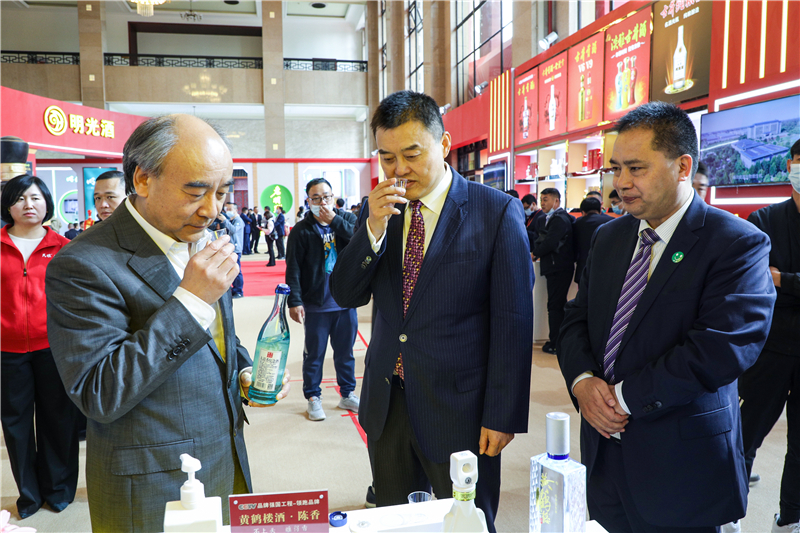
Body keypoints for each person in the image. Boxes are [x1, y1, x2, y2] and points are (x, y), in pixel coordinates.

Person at [45, 115, 290, 532]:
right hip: (153, 481)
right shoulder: (82, 264)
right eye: (195, 192)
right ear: (143, 179)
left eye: (222, 192)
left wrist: (243, 370)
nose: (212, 210)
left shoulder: (201, 237)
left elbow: (216, 336)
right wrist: (191, 300)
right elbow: (99, 392)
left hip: (224, 454)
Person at [557, 102, 776, 533]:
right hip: (604, 457)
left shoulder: (736, 243)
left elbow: (720, 349)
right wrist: (582, 382)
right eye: (616, 168)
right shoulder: (608, 237)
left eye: (636, 169)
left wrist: (619, 399)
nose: (621, 183)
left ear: (682, 167)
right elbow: (576, 319)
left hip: (681, 466)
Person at [330, 91, 534, 533]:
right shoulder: (380, 211)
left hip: (460, 409)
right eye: (387, 158)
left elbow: (514, 322)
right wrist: (372, 229)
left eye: (411, 154)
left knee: (466, 523)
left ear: (443, 144)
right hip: (388, 405)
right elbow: (345, 293)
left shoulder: (495, 211)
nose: (399, 170)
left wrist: (503, 414)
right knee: (394, 521)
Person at [1, 175, 81, 519]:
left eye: (35, 197)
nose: (28, 205)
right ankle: (29, 496)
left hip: (53, 348)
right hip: (7, 351)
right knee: (16, 425)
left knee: (58, 421)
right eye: (19, 198)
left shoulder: (63, 247)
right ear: (8, 206)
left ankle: (59, 490)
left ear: (47, 202)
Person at [738, 139, 800, 533]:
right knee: (744, 436)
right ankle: (727, 513)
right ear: (790, 164)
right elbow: (755, 278)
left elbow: (774, 279)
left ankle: (789, 520)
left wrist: (785, 280)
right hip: (769, 347)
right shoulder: (764, 219)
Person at [286, 177, 360, 421]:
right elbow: (293, 269)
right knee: (314, 355)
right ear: (308, 201)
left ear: (333, 197)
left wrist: (334, 221)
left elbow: (360, 242)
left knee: (345, 352)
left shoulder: (347, 220)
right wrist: (295, 301)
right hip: (316, 304)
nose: (322, 202)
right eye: (316, 198)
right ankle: (313, 397)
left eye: (326, 197)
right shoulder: (301, 230)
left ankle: (347, 393)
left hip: (345, 301)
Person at [532, 187, 574, 355]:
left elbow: (550, 242)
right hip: (555, 267)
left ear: (556, 201)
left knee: (555, 306)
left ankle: (556, 342)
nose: (542, 203)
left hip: (559, 268)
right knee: (556, 304)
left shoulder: (559, 219)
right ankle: (557, 340)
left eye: (546, 199)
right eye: (541, 199)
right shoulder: (549, 218)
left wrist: (534, 253)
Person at [572, 197, 614, 284]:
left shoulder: (578, 223)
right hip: (606, 267)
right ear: (600, 209)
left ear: (583, 212)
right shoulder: (611, 222)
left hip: (583, 267)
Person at [225, 201, 245, 298]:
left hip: (236, 249)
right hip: (231, 248)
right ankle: (234, 288)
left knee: (237, 270)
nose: (228, 211)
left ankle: (239, 291)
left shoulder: (238, 220)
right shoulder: (232, 220)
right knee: (231, 269)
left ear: (236, 210)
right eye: (227, 209)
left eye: (230, 209)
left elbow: (233, 230)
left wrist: (225, 221)